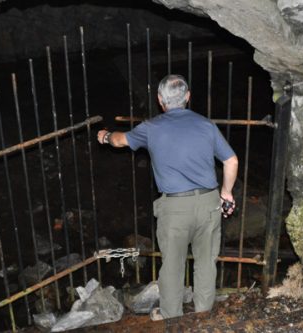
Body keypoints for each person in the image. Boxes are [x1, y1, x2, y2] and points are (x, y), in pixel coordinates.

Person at [97, 74, 238, 321]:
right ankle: (202, 318)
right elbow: (231, 160)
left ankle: (173, 319)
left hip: (175, 208)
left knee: (173, 267)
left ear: (160, 100)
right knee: (206, 264)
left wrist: (106, 136)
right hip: (209, 204)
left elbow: (120, 141)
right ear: (187, 97)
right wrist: (226, 193)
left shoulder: (151, 128)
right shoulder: (206, 125)